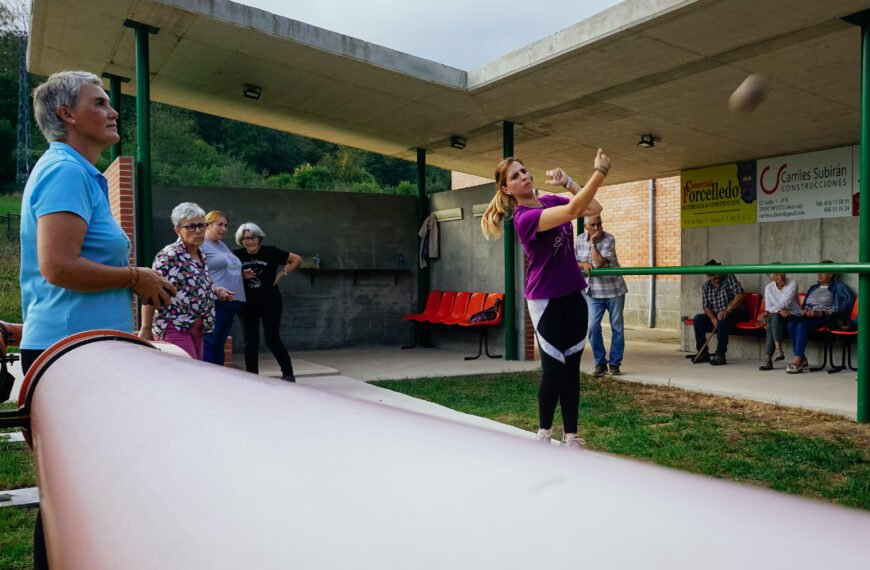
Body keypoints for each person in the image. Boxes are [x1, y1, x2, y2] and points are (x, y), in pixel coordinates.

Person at [19, 70, 175, 374]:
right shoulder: (66, 172)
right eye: (100, 103)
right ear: (67, 114)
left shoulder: (76, 172)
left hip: (81, 346)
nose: (113, 112)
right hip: (72, 351)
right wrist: (135, 277)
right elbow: (59, 267)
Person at [481, 148, 610, 448]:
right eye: (515, 176)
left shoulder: (549, 199)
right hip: (545, 300)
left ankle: (572, 436)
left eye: (524, 171)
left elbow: (592, 208)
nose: (523, 177)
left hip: (573, 294)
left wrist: (569, 181)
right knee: (554, 369)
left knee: (572, 368)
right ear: (506, 189)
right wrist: (599, 172)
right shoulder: (524, 218)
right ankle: (543, 434)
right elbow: (573, 211)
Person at [138, 203, 233, 359]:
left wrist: (214, 290)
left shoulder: (200, 252)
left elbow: (189, 285)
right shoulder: (170, 256)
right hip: (175, 327)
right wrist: (145, 328)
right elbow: (151, 291)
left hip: (198, 326)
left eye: (201, 225)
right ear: (178, 230)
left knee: (195, 375)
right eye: (191, 227)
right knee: (185, 376)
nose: (198, 231)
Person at [234, 222, 302, 382]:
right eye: (244, 238)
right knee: (250, 341)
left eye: (252, 237)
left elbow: (296, 259)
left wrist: (282, 274)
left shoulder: (271, 252)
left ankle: (288, 373)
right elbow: (227, 275)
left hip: (270, 302)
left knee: (272, 338)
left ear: (259, 237)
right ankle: (252, 377)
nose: (249, 241)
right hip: (247, 304)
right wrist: (241, 276)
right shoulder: (236, 255)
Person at [575, 214, 628, 377]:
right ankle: (600, 363)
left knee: (617, 327)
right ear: (586, 227)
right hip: (593, 292)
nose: (597, 228)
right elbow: (574, 262)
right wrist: (583, 264)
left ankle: (615, 363)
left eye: (599, 224)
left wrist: (592, 243)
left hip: (614, 290)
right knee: (592, 327)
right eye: (593, 225)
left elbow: (598, 263)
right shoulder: (578, 240)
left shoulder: (608, 239)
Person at [785, 265, 855, 374]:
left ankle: (798, 361)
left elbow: (843, 308)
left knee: (801, 326)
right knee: (791, 324)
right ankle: (802, 357)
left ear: (831, 274)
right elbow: (807, 304)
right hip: (809, 316)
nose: (819, 274)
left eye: (822, 272)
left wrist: (820, 313)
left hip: (825, 318)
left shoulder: (839, 287)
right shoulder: (813, 288)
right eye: (818, 272)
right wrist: (805, 311)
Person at [201, 210, 246, 365]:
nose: (224, 229)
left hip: (231, 303)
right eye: (219, 224)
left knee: (219, 344)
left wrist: (242, 273)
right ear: (207, 225)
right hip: (216, 301)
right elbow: (197, 271)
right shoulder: (201, 245)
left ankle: (219, 380)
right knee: (209, 342)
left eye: (226, 225)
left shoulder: (222, 245)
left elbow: (224, 267)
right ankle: (207, 379)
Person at [690, 260, 749, 366]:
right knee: (698, 319)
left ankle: (720, 355)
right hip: (718, 316)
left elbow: (740, 295)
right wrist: (713, 318)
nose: (717, 277)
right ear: (708, 276)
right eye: (713, 275)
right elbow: (706, 306)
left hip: (736, 312)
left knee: (722, 318)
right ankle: (703, 353)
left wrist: (727, 310)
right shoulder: (706, 286)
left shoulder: (729, 277)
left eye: (718, 274)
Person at [758, 269, 800, 371]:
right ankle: (777, 350)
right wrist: (777, 311)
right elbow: (768, 307)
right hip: (777, 317)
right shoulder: (768, 287)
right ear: (772, 278)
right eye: (777, 274)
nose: (781, 276)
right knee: (774, 318)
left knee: (771, 319)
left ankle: (769, 358)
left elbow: (785, 303)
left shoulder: (792, 283)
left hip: (792, 314)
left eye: (782, 273)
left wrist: (776, 310)